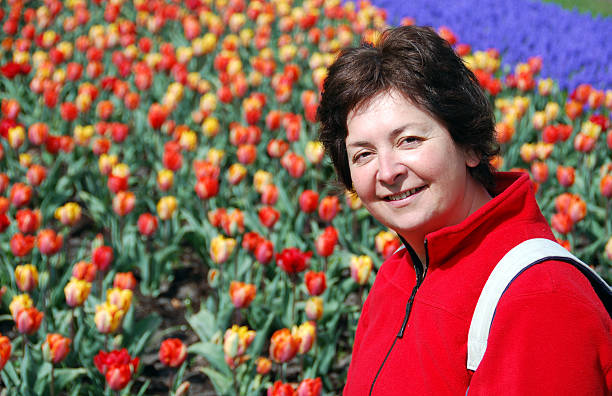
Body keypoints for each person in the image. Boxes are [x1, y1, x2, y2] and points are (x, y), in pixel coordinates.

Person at [317, 25, 612, 395]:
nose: (388, 172)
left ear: (470, 146)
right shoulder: (399, 272)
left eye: (409, 140)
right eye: (364, 154)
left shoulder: (539, 299)